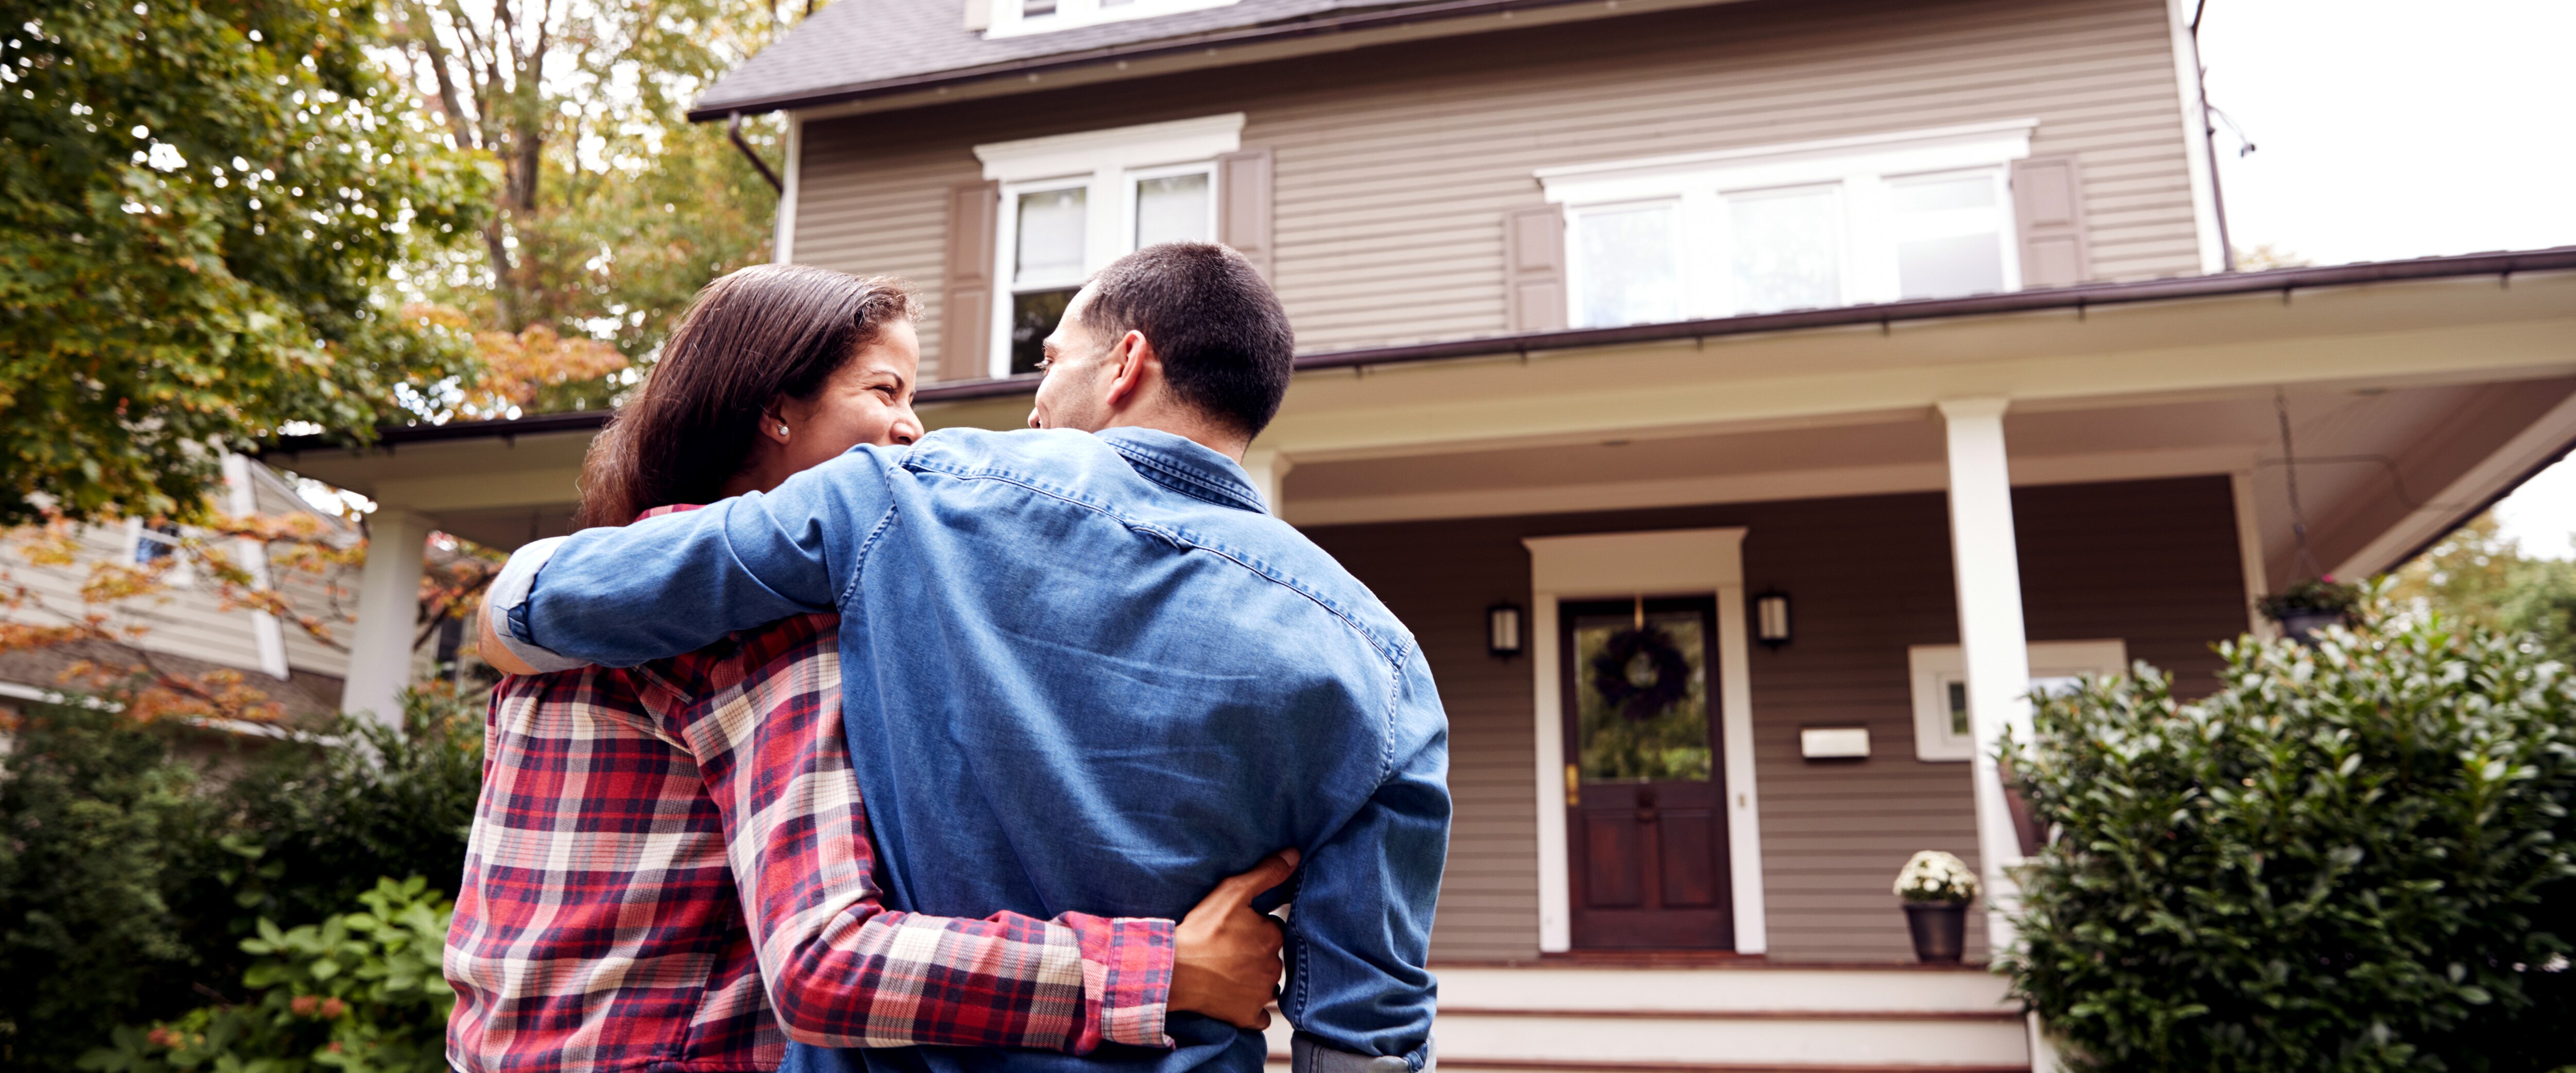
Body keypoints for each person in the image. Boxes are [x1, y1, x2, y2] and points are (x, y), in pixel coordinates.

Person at [482, 243, 1450, 1073]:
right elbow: (1366, 1024)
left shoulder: (907, 499)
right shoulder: (1386, 665)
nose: (1031, 404)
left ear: (1125, 366)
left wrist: (505, 613)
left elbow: (573, 595)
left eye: (1049, 362)